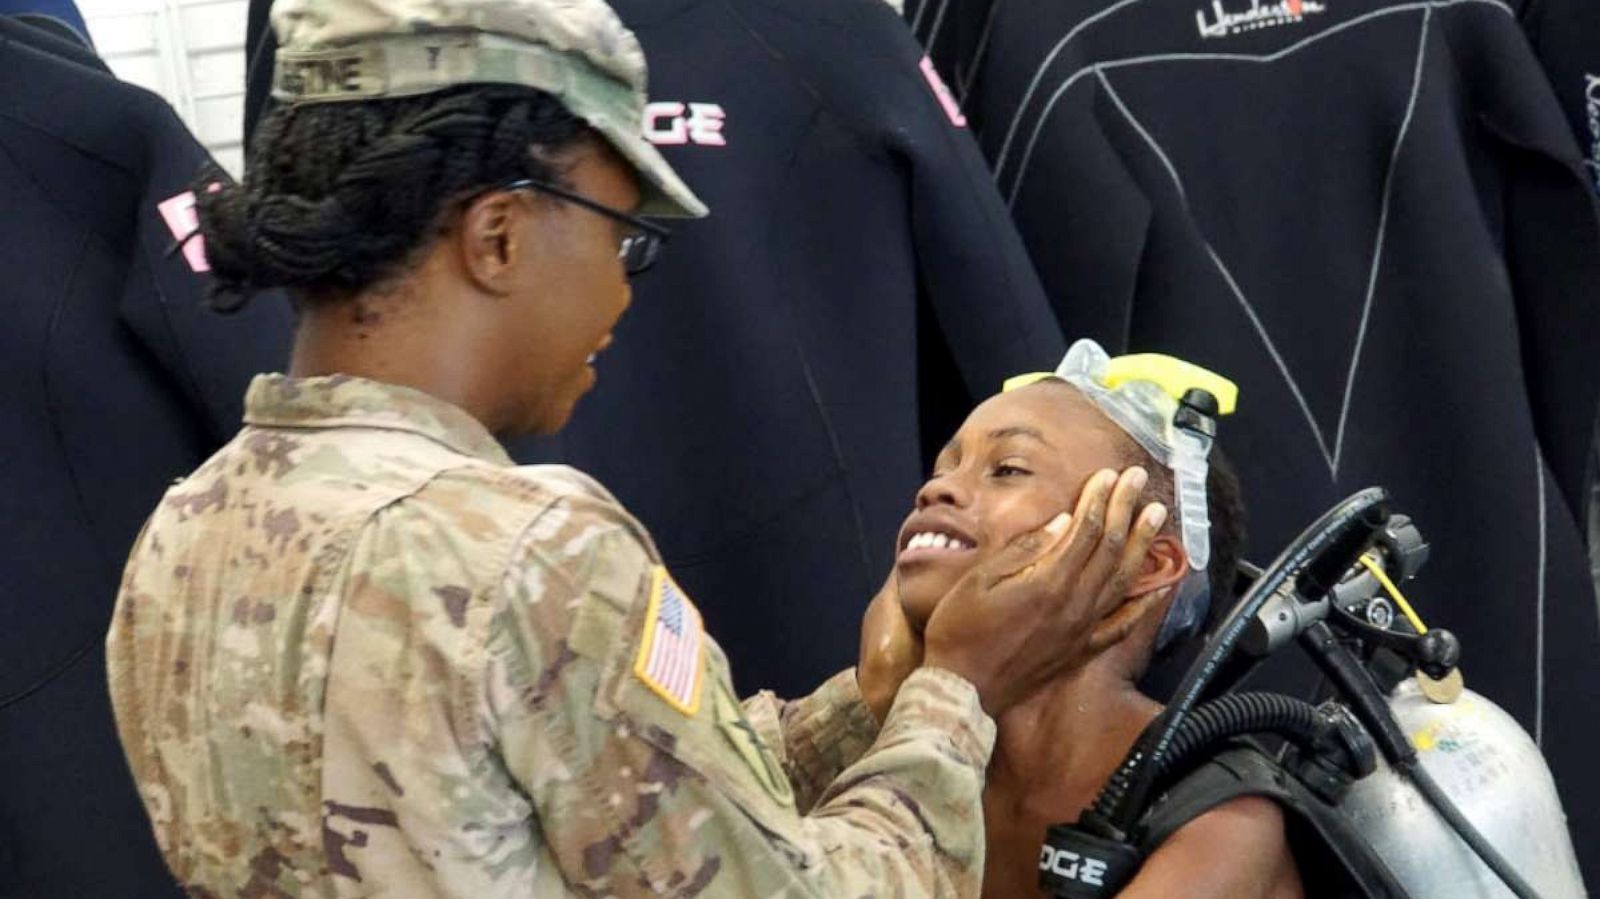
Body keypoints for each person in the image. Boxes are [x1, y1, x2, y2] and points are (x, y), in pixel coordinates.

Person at [102, 1, 1171, 896]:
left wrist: (877, 694)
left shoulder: (184, 532)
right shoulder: (533, 552)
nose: (621, 287)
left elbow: (622, 785)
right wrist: (965, 688)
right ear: (501, 234)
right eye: (621, 235)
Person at [860, 339, 1304, 898]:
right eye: (946, 466)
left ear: (1144, 561)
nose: (936, 488)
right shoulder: (889, 754)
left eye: (1008, 469)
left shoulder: (1216, 820)